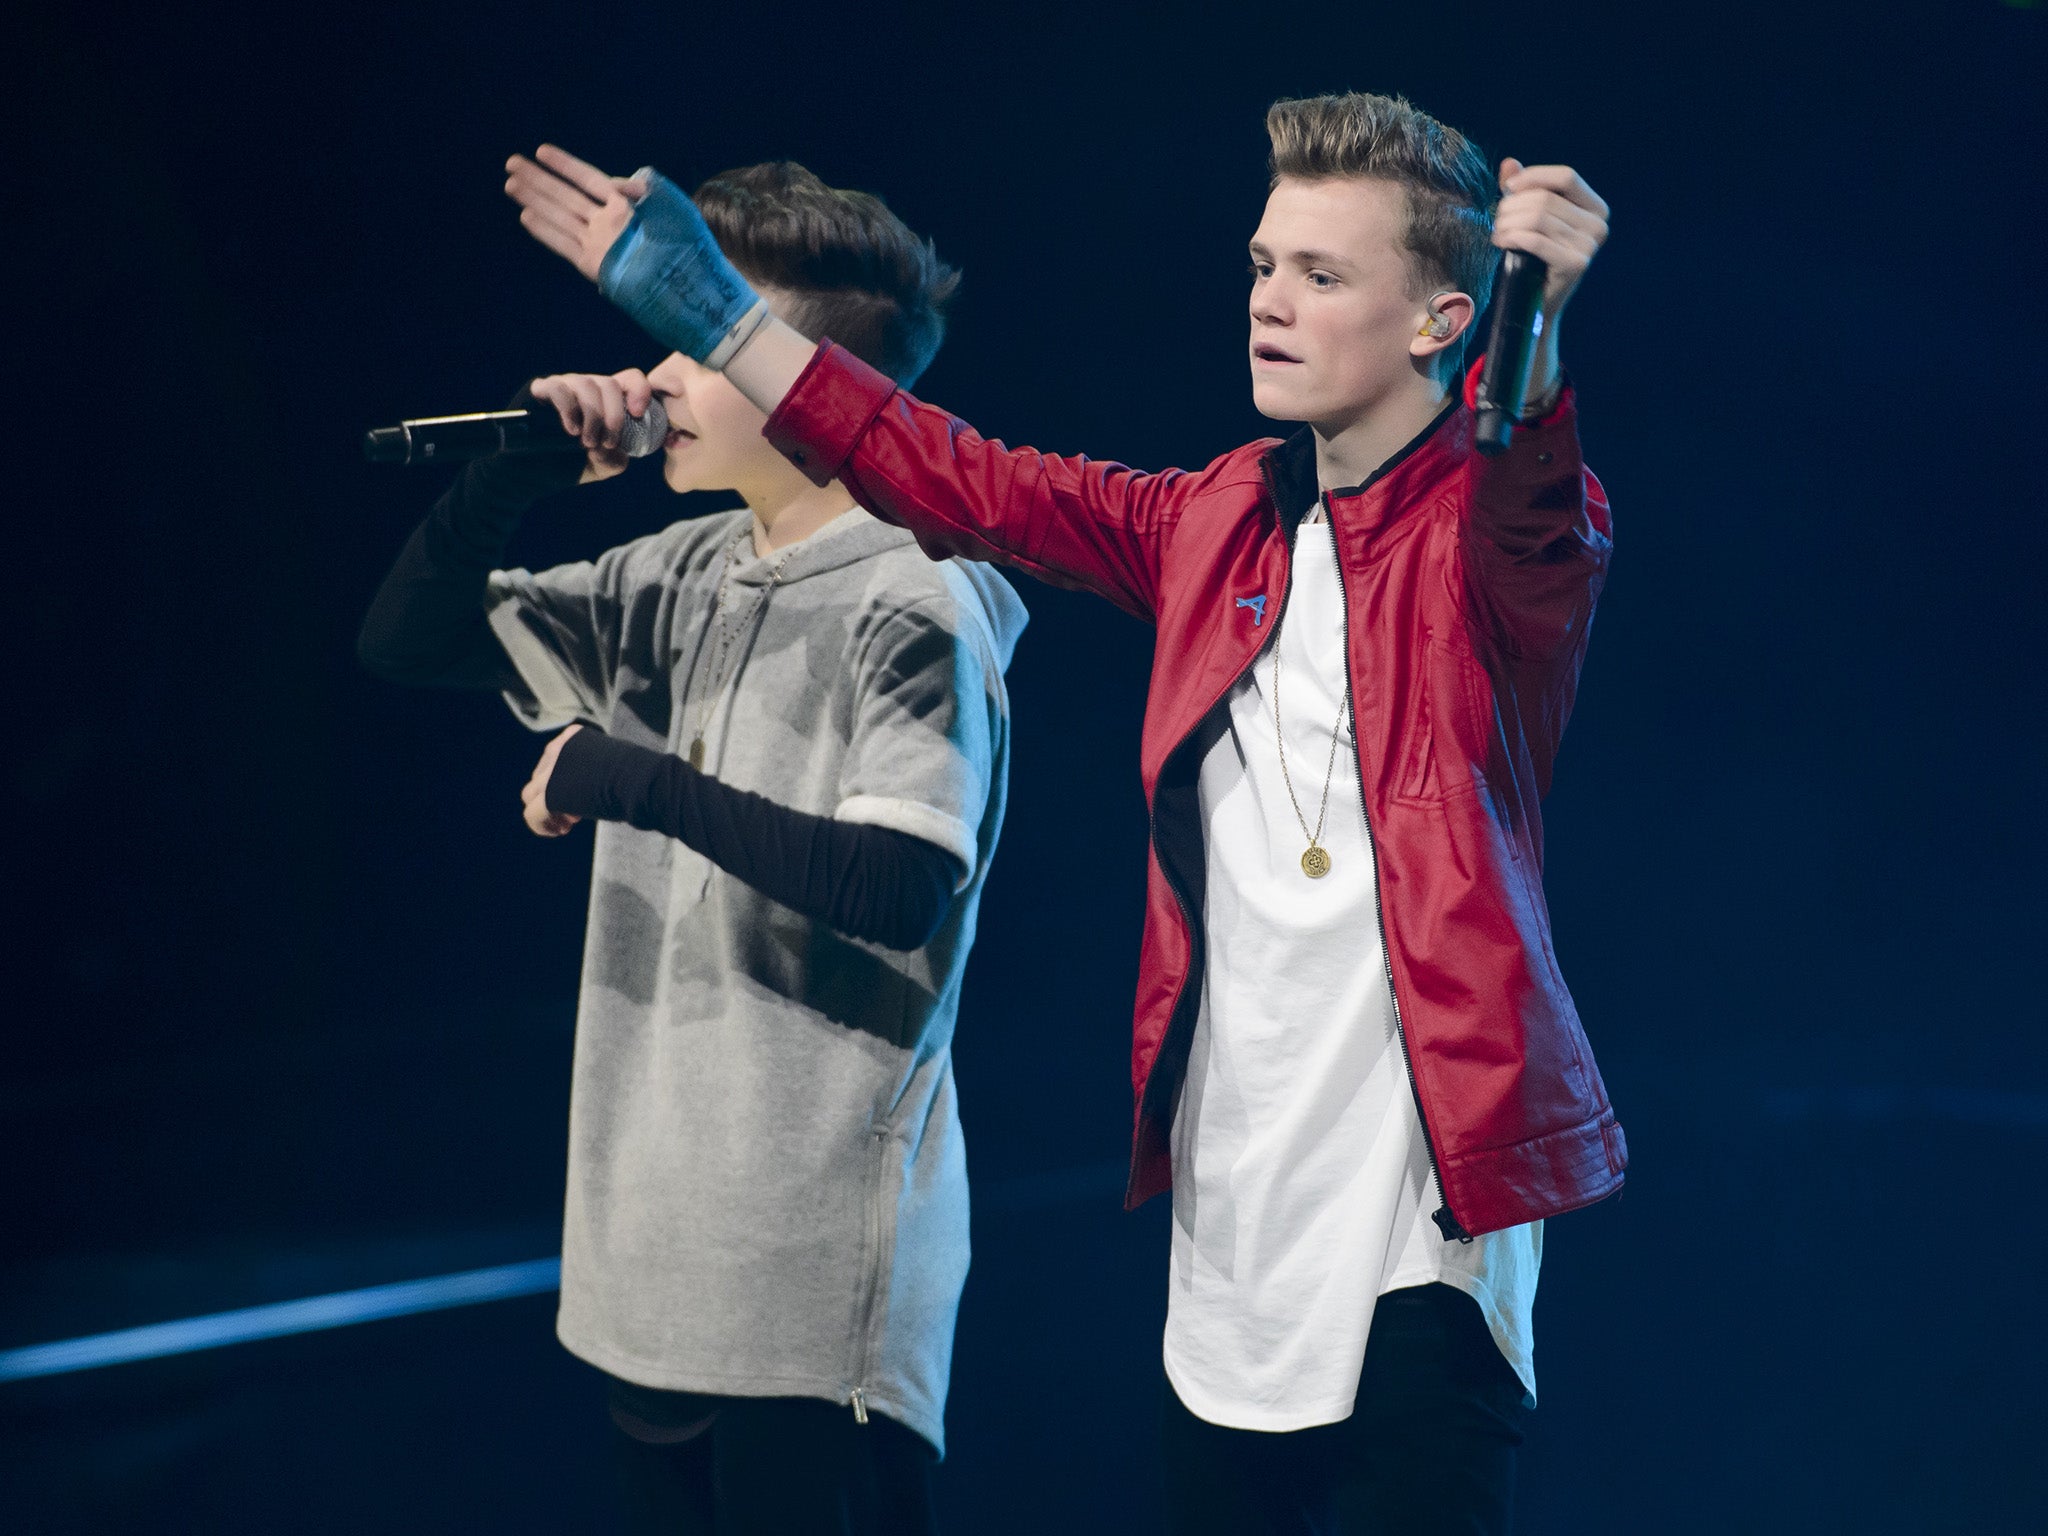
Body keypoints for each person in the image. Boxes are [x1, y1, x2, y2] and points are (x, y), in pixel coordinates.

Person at [507, 88, 1620, 1534]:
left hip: (1422, 1232)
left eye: (1322, 275)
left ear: (1438, 320)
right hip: (1228, 1240)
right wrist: (718, 317)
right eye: (1260, 267)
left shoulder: (1495, 542)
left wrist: (1532, 333)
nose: (1270, 303)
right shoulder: (1213, 519)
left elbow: (1526, 489)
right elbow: (961, 478)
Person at [360, 159, 1026, 1535]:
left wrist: (635, 780)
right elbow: (405, 645)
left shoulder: (922, 596)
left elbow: (898, 884)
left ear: (797, 380)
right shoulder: (683, 569)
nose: (652, 380)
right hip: (643, 1277)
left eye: (690, 343)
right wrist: (514, 475)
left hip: (804, 1294)